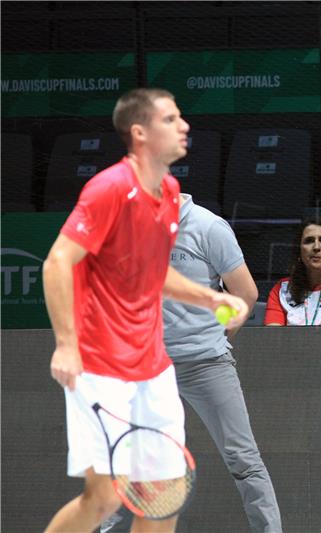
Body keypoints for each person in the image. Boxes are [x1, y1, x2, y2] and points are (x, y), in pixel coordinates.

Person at [43, 88, 249, 533]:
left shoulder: (169, 191)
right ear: (139, 133)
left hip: (153, 367)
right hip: (100, 366)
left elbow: (151, 271)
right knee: (102, 499)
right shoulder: (110, 189)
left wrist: (209, 298)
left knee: (164, 494)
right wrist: (66, 345)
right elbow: (58, 261)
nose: (184, 126)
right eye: (170, 119)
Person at [101, 193, 282, 533]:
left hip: (205, 364)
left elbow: (245, 293)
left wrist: (217, 334)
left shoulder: (209, 227)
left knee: (243, 458)